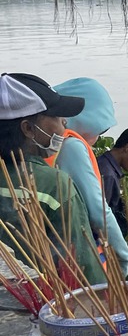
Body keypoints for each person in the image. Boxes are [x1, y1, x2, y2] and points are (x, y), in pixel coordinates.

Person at [0, 73, 105, 284]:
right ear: (28, 128)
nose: (64, 124)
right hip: (49, 301)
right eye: (57, 117)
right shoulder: (54, 186)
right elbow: (83, 269)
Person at [50, 78, 128, 273]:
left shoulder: (49, 143)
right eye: (98, 130)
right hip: (72, 253)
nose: (96, 139)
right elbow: (97, 210)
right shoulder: (71, 146)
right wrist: (122, 254)